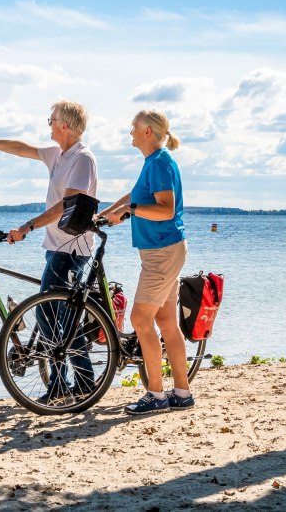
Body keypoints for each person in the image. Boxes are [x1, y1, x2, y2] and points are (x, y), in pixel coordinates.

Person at [0, 100, 98, 401]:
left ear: (64, 125)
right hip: (55, 246)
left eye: (52, 119)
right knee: (60, 315)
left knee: (47, 312)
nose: (48, 123)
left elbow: (66, 206)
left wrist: (27, 227)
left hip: (73, 248)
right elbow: (21, 148)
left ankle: (62, 387)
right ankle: (84, 382)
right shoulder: (58, 154)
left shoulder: (82, 159)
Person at [101, 109, 190, 415]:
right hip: (163, 249)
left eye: (133, 128)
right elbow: (136, 195)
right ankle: (182, 393)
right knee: (165, 321)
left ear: (147, 132)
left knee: (140, 320)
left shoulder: (161, 162)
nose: (130, 133)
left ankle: (156, 394)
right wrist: (109, 211)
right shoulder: (153, 162)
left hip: (162, 252)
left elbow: (165, 209)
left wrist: (130, 209)